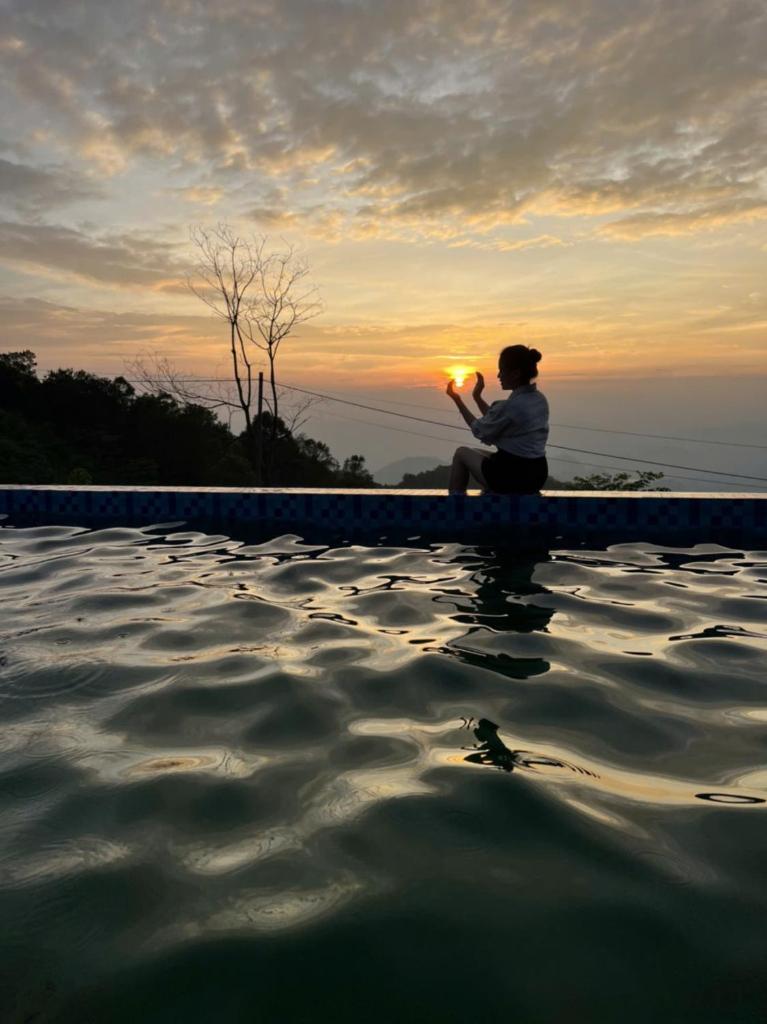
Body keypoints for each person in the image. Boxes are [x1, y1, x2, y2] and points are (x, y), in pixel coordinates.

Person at [445, 344, 549, 495]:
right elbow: (496, 421)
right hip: (537, 475)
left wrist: (457, 399)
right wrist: (477, 397)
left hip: (515, 478)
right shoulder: (538, 399)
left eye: (501, 370)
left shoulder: (512, 406)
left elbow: (479, 429)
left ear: (515, 374)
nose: (498, 376)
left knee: (462, 453)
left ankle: (455, 509)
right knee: (476, 452)